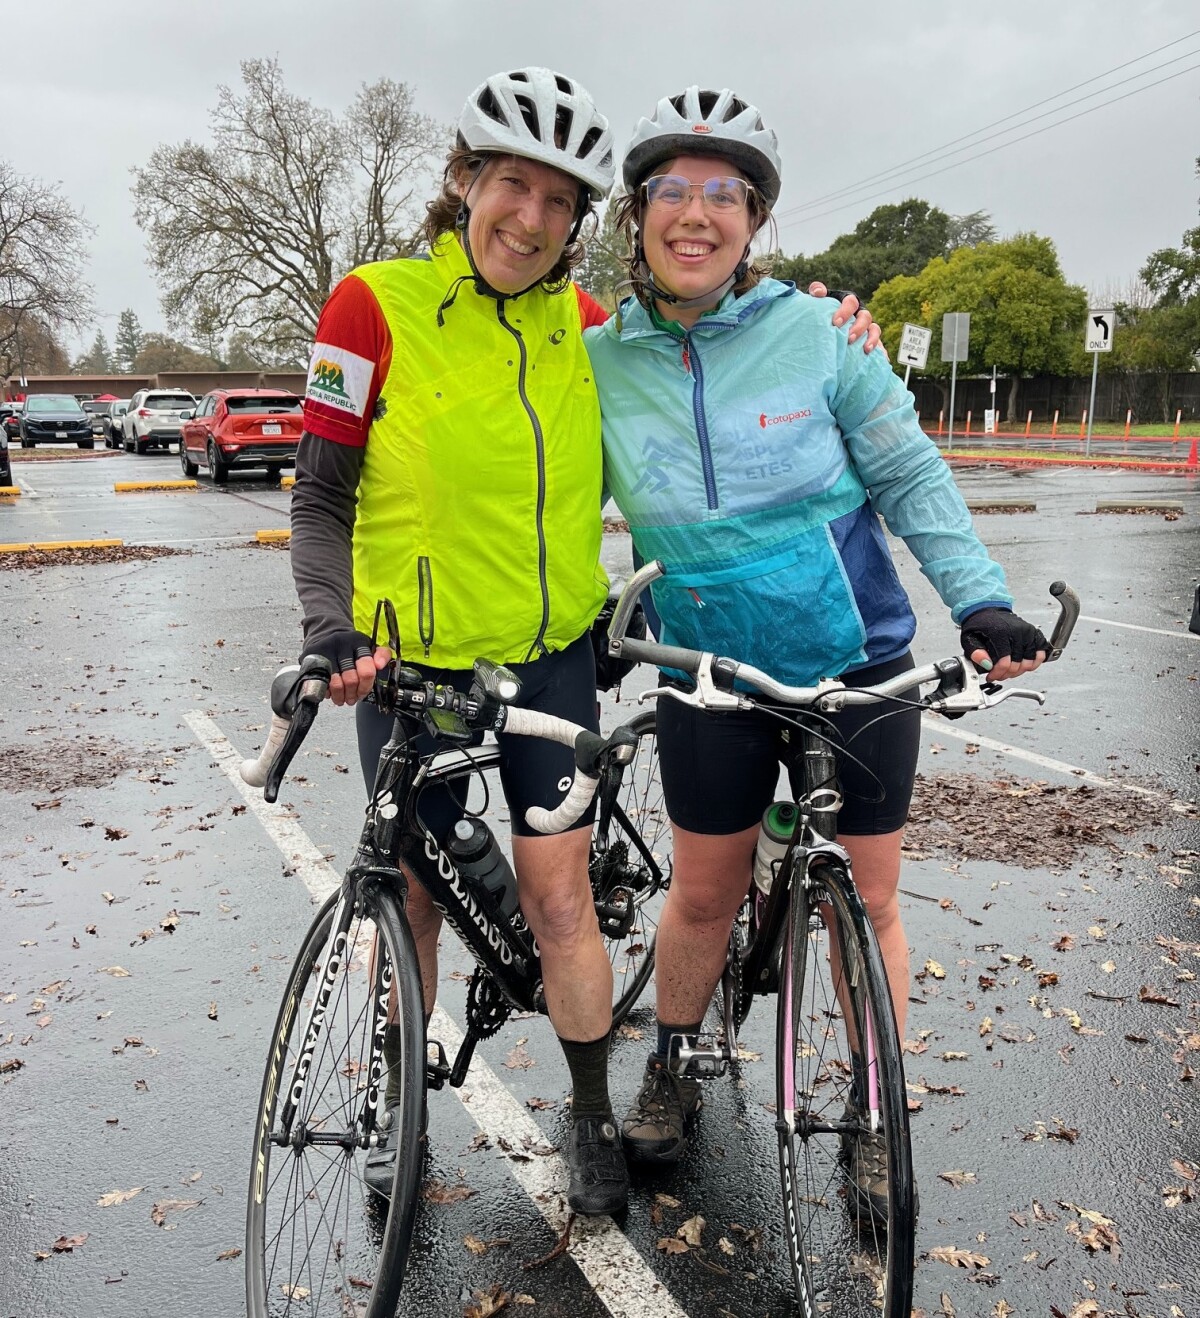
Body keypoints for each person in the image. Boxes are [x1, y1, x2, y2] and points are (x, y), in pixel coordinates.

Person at [289, 67, 875, 1218]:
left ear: (580, 221)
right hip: (412, 667)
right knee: (410, 891)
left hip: (553, 663)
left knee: (560, 902)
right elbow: (318, 498)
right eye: (513, 186)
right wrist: (330, 628)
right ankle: (393, 1095)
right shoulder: (370, 305)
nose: (533, 219)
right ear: (465, 183)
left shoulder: (591, 327)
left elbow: (715, 352)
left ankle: (595, 1113)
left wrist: (822, 321)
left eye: (561, 202)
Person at [582, 87, 1049, 1223]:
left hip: (859, 664)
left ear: (756, 220)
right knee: (703, 894)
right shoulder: (595, 362)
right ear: (640, 214)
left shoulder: (816, 335)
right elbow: (545, 493)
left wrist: (980, 598)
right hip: (708, 672)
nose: (696, 215)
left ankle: (880, 1114)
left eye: (723, 195)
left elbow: (909, 472)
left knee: (872, 895)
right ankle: (674, 1061)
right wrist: (580, 617)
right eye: (674, 192)